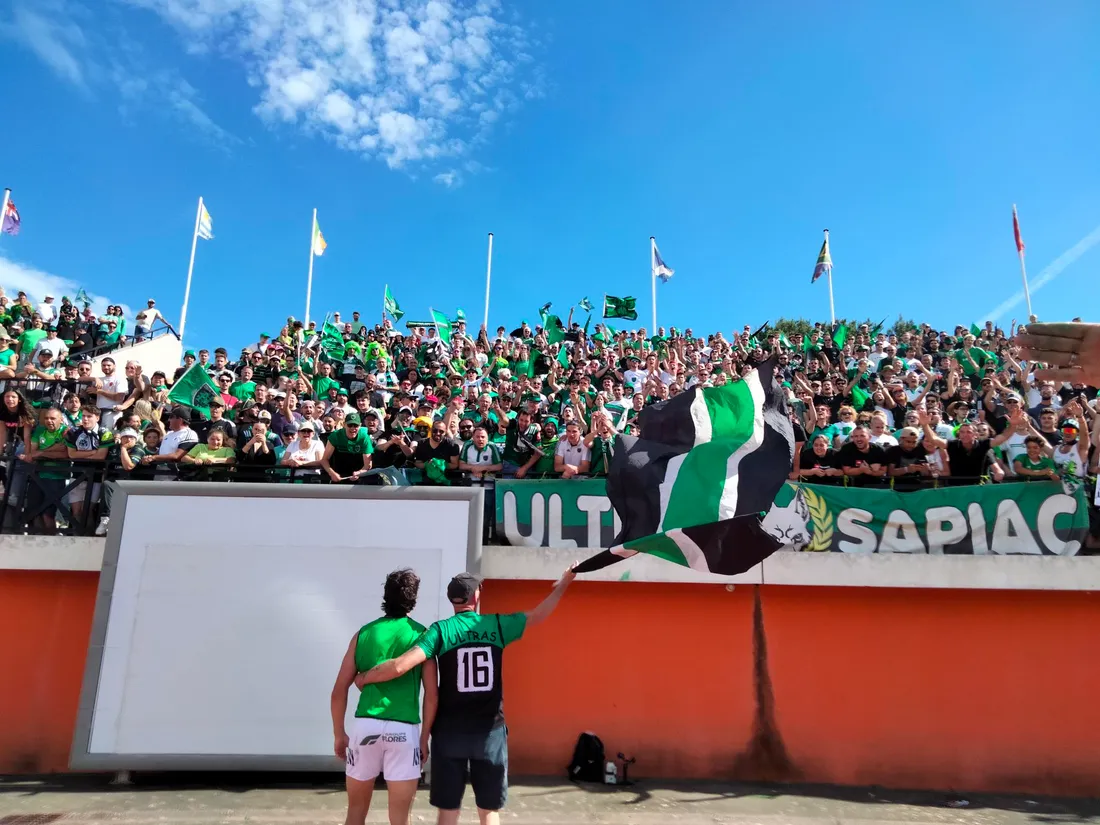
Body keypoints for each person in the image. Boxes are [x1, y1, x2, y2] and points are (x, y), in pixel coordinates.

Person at [355, 565, 577, 825]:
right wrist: (565, 583)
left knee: (448, 811)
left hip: (449, 734)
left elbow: (400, 666)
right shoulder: (497, 624)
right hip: (489, 733)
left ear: (452, 599)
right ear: (476, 595)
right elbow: (538, 615)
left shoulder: (439, 631)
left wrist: (365, 677)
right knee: (489, 810)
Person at [330, 569, 438, 825]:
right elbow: (432, 696)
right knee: (400, 818)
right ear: (414, 599)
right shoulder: (422, 636)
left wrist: (339, 733)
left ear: (385, 596)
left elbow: (339, 690)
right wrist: (424, 738)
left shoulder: (364, 633)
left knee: (355, 812)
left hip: (365, 727)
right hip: (404, 731)